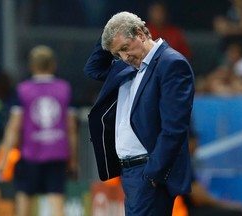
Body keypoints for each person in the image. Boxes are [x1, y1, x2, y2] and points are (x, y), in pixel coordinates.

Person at [84, 11, 195, 216]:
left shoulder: (171, 64)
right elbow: (92, 68)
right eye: (118, 54)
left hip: (148, 172)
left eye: (125, 48)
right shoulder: (126, 67)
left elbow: (175, 127)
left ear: (140, 34)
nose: (124, 57)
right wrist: (112, 29)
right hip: (130, 173)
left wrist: (154, 173)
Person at [0, 45, 79, 216]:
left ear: (31, 66)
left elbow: (14, 127)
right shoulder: (65, 89)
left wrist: (3, 159)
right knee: (57, 204)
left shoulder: (22, 90)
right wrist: (73, 160)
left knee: (24, 203)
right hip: (57, 155)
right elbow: (71, 128)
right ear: (53, 65)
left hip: (30, 156)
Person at [173, 130, 242, 216]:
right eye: (195, 142)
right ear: (188, 142)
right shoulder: (181, 163)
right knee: (235, 213)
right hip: (182, 211)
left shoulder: (179, 162)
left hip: (185, 209)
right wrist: (226, 205)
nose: (197, 147)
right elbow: (198, 195)